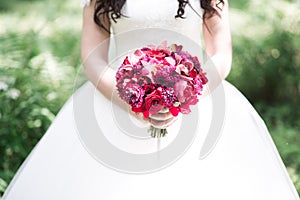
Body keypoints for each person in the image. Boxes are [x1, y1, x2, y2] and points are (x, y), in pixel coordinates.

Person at [2, 0, 300, 199]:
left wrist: (187, 93)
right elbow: (93, 59)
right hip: (115, 98)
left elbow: (220, 54)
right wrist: (132, 101)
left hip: (197, 97)